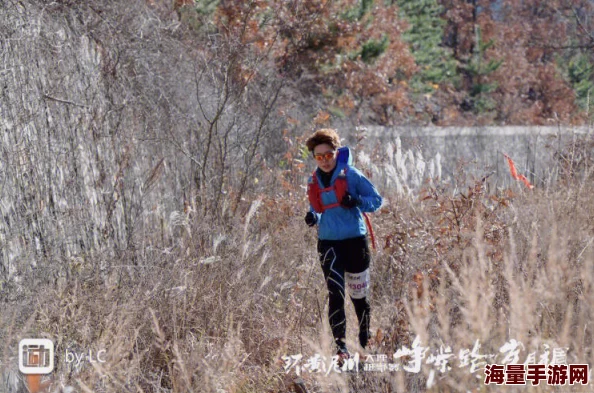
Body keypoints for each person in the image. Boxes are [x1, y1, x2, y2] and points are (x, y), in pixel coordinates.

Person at [304, 128, 383, 362]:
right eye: (319, 157)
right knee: (335, 294)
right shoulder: (313, 181)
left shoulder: (352, 175)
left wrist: (356, 201)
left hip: (355, 242)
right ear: (315, 158)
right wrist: (312, 217)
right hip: (328, 243)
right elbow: (316, 209)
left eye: (328, 155)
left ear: (336, 152)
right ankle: (341, 349)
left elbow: (376, 201)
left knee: (359, 297)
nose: (325, 161)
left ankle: (364, 338)